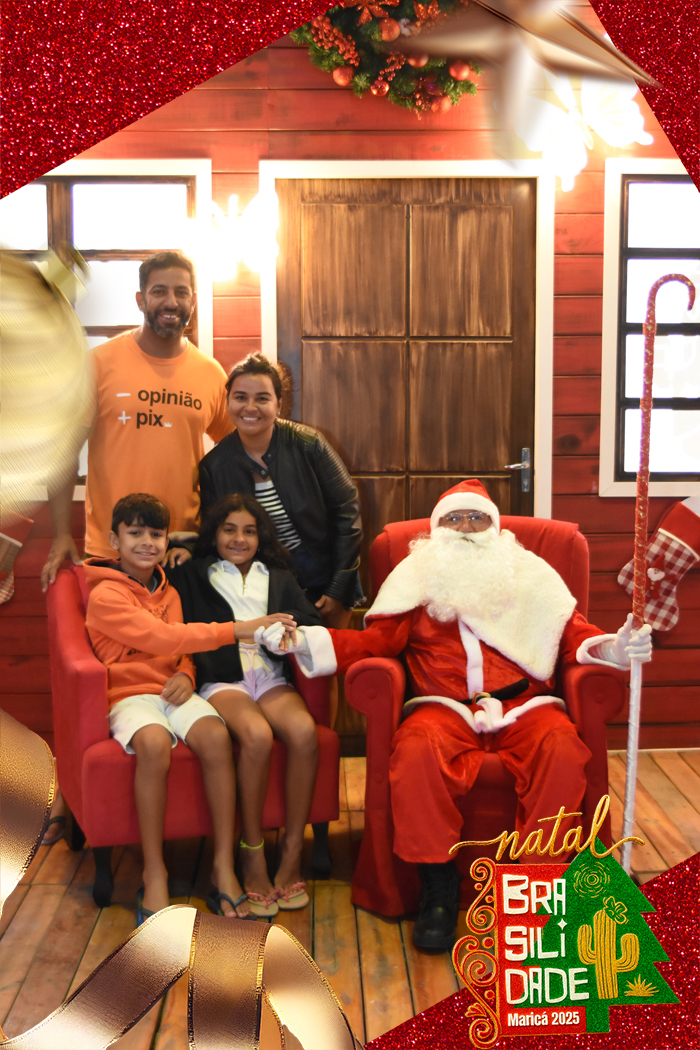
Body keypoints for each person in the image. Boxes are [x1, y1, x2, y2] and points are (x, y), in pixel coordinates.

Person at [261, 479, 653, 952]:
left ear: (494, 527)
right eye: (453, 518)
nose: (465, 528)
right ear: (436, 530)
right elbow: (375, 643)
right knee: (415, 752)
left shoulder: (530, 573)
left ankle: (535, 893)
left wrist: (616, 647)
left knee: (564, 752)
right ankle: (438, 889)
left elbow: (575, 636)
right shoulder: (417, 576)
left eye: (476, 518)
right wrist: (304, 640)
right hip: (443, 707)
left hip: (526, 706)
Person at [40, 250, 233, 842]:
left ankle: (191, 816)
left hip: (182, 557)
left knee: (179, 669)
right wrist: (59, 535)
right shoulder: (100, 364)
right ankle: (81, 798)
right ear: (140, 298)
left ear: (193, 300)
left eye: (182, 292)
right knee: (107, 678)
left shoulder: (210, 375)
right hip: (108, 555)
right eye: (160, 291)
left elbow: (232, 458)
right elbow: (60, 448)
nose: (171, 302)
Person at [83, 493, 297, 921]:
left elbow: (180, 648)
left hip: (174, 691)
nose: (147, 542)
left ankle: (222, 866)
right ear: (114, 540)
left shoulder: (168, 589)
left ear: (167, 540)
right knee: (153, 743)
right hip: (130, 695)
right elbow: (162, 638)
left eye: (156, 534)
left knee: (217, 736)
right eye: (135, 533)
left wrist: (186, 673)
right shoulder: (105, 595)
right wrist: (239, 629)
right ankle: (155, 871)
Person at [168, 493, 325, 913]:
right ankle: (251, 853)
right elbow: (175, 623)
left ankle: (292, 852)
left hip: (270, 676)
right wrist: (182, 548)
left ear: (261, 537)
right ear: (214, 534)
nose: (239, 539)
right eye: (229, 530)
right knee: (256, 735)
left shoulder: (279, 577)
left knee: (304, 732)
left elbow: (311, 623)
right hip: (223, 680)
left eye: (249, 531)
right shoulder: (195, 573)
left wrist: (292, 634)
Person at [197, 353, 363, 629]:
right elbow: (216, 537)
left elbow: (347, 513)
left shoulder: (309, 444)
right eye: (240, 397)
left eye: (262, 398)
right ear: (227, 403)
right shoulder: (214, 466)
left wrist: (338, 586)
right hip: (265, 585)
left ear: (279, 404)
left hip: (324, 577)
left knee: (327, 653)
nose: (250, 407)